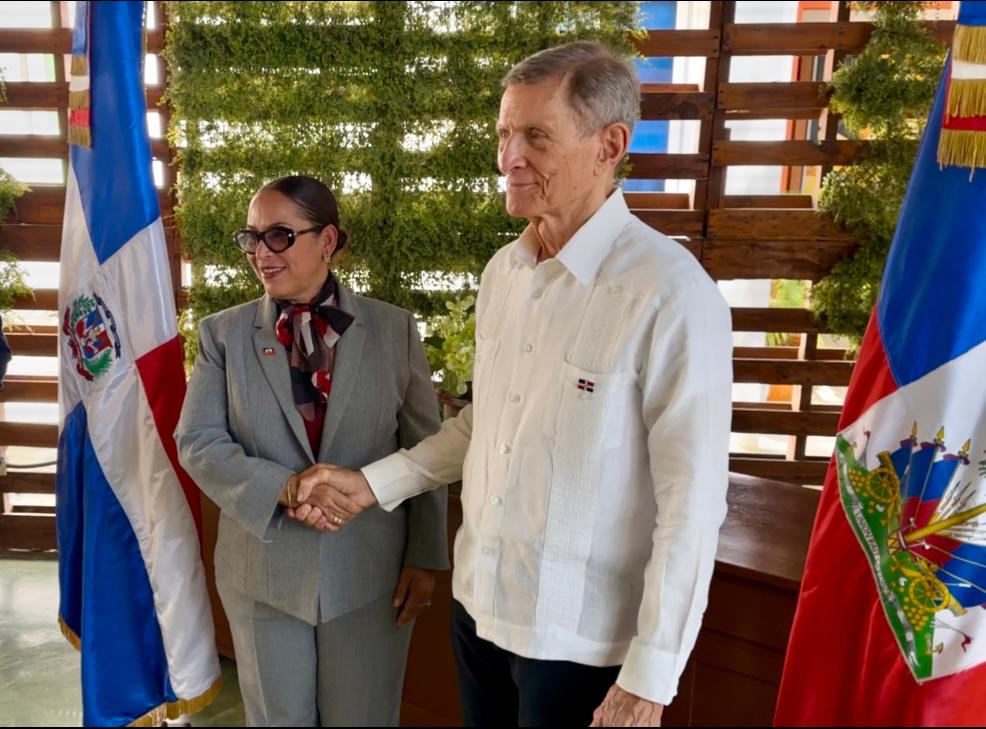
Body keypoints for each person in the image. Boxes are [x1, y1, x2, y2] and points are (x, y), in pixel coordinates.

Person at [301, 41, 733, 727]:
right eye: (505, 133)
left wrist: (650, 677)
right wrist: (372, 484)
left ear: (609, 144)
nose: (509, 158)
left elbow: (693, 507)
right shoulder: (505, 271)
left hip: (582, 648)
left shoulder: (672, 297)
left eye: (536, 136)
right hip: (480, 613)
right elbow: (486, 425)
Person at [175, 175, 448, 727]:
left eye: (279, 235)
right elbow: (198, 441)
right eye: (251, 237)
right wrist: (286, 487)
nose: (260, 253)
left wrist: (425, 556)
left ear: (327, 241)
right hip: (262, 573)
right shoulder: (221, 336)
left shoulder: (394, 329)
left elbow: (425, 448)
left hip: (371, 573)